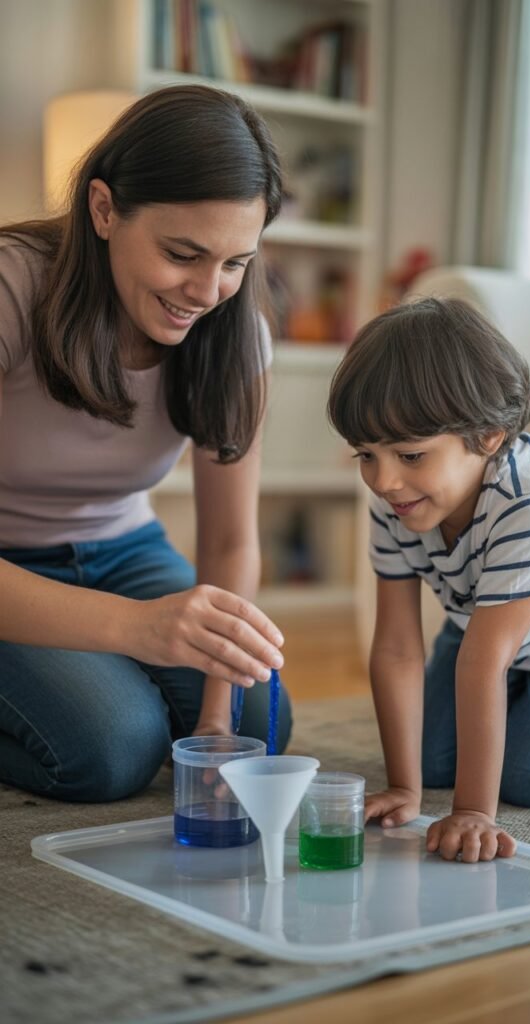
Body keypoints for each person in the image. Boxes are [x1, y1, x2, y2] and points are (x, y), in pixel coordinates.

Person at [0, 85, 293, 803]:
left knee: (259, 719)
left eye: (234, 262)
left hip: (122, 550)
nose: (205, 290)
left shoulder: (236, 332)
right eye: (182, 253)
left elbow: (229, 542)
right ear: (104, 210)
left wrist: (218, 717)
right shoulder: (12, 287)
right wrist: (135, 629)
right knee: (113, 748)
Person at [328, 296, 530, 863]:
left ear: (489, 436)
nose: (385, 480)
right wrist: (406, 786)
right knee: (432, 760)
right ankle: (525, 698)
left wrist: (473, 811)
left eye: (411, 455)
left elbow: (484, 661)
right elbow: (397, 645)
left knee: (529, 776)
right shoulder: (395, 501)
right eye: (366, 455)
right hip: (486, 621)